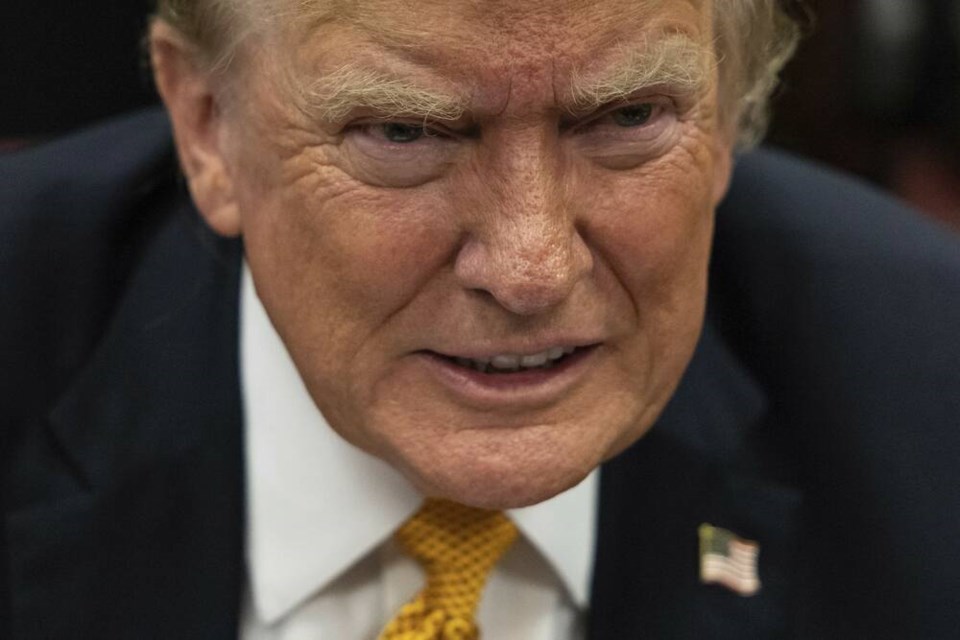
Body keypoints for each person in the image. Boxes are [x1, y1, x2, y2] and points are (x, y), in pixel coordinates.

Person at [3, 0, 959, 638]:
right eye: (403, 132)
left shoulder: (928, 396)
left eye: (626, 118)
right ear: (209, 128)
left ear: (730, 116)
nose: (530, 269)